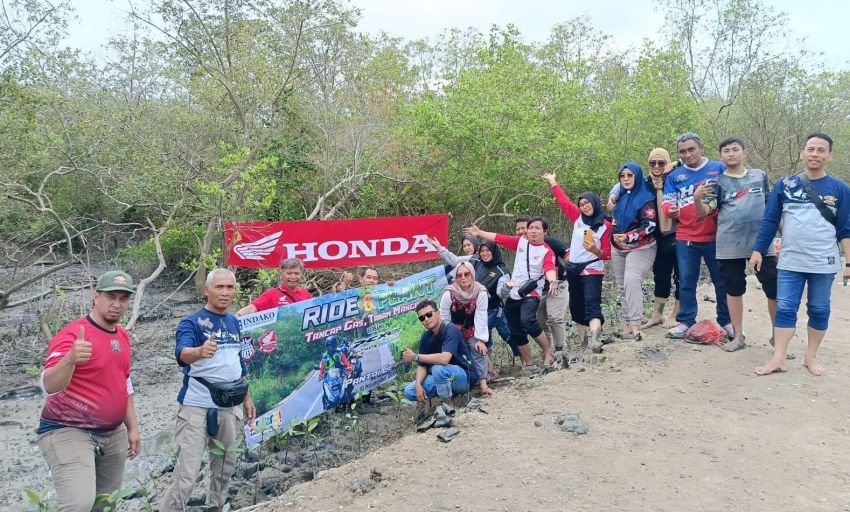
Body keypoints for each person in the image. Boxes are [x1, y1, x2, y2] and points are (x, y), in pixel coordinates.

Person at [37, 271, 141, 512]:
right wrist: (70, 360)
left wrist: (133, 428)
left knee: (106, 504)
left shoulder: (123, 336)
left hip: (112, 433)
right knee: (79, 505)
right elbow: (48, 386)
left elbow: (124, 382)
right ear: (96, 297)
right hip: (68, 429)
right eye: (110, 297)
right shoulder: (73, 336)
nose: (117, 304)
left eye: (123, 299)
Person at [750, 133, 850, 376]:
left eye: (821, 150)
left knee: (819, 309)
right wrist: (758, 251)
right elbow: (770, 220)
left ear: (829, 156)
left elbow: (845, 227)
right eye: (811, 149)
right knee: (785, 308)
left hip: (824, 261)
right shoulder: (785, 185)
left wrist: (849, 262)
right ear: (802, 153)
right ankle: (779, 357)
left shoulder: (840, 189)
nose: (815, 154)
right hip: (791, 260)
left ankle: (811, 357)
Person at [160, 269, 256, 512]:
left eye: (230, 287)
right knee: (186, 475)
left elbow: (238, 362)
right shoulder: (191, 323)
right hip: (196, 407)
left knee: (225, 467)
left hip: (229, 407)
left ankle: (216, 506)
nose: (225, 292)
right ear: (207, 290)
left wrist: (247, 397)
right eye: (219, 287)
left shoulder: (234, 321)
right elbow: (181, 354)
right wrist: (199, 352)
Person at [695, 137, 777, 352]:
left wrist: (783, 238)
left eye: (735, 149)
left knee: (774, 289)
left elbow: (771, 208)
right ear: (720, 156)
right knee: (733, 290)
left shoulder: (759, 176)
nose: (731, 154)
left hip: (761, 243)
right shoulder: (717, 183)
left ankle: (778, 336)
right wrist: (696, 198)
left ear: (744, 152)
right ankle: (738, 336)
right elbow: (705, 211)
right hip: (729, 244)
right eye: (726, 151)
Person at [661, 132, 731, 339]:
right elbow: (667, 201)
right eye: (682, 151)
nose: (687, 154)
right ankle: (686, 320)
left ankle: (726, 320)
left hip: (715, 235)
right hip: (686, 235)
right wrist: (669, 210)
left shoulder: (719, 168)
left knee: (721, 280)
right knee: (686, 281)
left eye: (691, 149)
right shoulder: (675, 176)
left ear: (702, 147)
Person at [464, 218, 558, 367]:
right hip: (514, 291)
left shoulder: (547, 251)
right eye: (530, 228)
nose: (533, 231)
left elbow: (549, 267)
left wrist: (552, 281)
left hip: (531, 292)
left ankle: (548, 351)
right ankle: (529, 362)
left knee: (527, 321)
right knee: (515, 329)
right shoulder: (521, 242)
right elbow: (499, 238)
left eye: (537, 228)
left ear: (544, 231)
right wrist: (480, 233)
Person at [543, 172, 612, 353]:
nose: (584, 207)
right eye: (581, 204)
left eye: (587, 203)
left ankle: (596, 339)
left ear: (595, 203)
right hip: (573, 269)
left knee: (592, 305)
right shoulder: (578, 218)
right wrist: (553, 182)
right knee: (576, 307)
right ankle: (583, 341)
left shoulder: (605, 225)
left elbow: (607, 254)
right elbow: (564, 202)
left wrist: (595, 250)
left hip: (592, 269)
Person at [612, 148, 680, 328]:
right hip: (655, 235)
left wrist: (674, 165)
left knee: (681, 275)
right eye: (652, 163)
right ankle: (657, 314)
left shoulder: (675, 179)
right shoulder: (645, 182)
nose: (657, 166)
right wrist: (612, 196)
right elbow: (622, 185)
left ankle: (676, 314)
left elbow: (692, 165)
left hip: (677, 231)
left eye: (661, 163)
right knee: (661, 274)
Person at [429, 237, 514, 368]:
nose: (485, 253)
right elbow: (455, 261)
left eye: (488, 250)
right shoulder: (474, 259)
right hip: (470, 309)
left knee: (502, 335)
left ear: (494, 251)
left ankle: (526, 361)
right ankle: (487, 370)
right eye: (482, 251)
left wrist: (507, 287)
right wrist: (440, 248)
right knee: (478, 338)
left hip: (491, 309)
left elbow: (501, 294)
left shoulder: (501, 270)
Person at [610, 163, 658, 340]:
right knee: (622, 285)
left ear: (637, 177)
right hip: (618, 248)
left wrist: (629, 237)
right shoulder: (619, 197)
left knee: (632, 280)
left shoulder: (646, 199)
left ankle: (637, 325)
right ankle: (628, 323)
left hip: (642, 247)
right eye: (622, 176)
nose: (626, 179)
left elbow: (651, 225)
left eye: (630, 175)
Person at [402, 299, 477, 404]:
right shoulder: (425, 337)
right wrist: (418, 384)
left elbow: (445, 359)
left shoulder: (451, 330)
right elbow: (422, 365)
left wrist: (415, 356)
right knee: (410, 390)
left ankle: (448, 404)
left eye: (429, 314)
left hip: (464, 377)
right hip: (442, 377)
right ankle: (447, 392)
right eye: (422, 318)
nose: (426, 319)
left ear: (438, 313)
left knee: (438, 368)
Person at [438, 261, 494, 395]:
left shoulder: (480, 292)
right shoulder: (449, 293)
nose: (463, 277)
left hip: (473, 327)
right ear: (456, 278)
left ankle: (483, 384)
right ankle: (461, 384)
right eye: (459, 275)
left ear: (472, 275)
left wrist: (481, 339)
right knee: (455, 353)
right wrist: (450, 334)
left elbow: (481, 316)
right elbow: (444, 317)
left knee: (477, 348)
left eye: (466, 274)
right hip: (453, 328)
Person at [236, 258, 312, 315]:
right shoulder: (271, 294)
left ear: (301, 274)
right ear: (281, 274)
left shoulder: (306, 295)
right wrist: (236, 316)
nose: (293, 277)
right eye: (289, 273)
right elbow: (252, 308)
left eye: (296, 273)